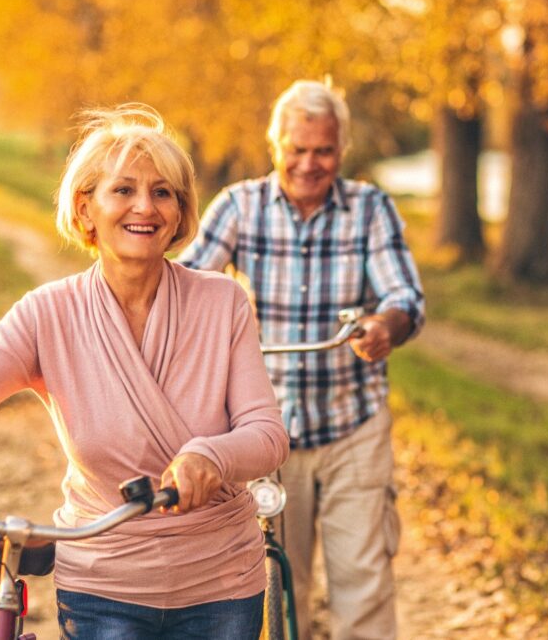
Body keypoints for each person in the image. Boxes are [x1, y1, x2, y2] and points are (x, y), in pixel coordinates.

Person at [0, 105, 289, 639]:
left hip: (221, 583)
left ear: (180, 213)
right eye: (123, 190)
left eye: (163, 193)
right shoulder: (47, 313)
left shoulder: (221, 302)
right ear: (86, 209)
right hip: (104, 588)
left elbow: (267, 435)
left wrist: (212, 454)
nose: (145, 207)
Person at [178, 80, 425, 639]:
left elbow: (403, 296)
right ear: (275, 146)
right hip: (266, 434)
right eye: (298, 149)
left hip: (351, 428)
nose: (310, 164)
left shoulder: (369, 208)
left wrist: (386, 325)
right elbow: (185, 285)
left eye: (324, 151)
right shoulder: (239, 206)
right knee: (279, 593)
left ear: (342, 150)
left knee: (362, 585)